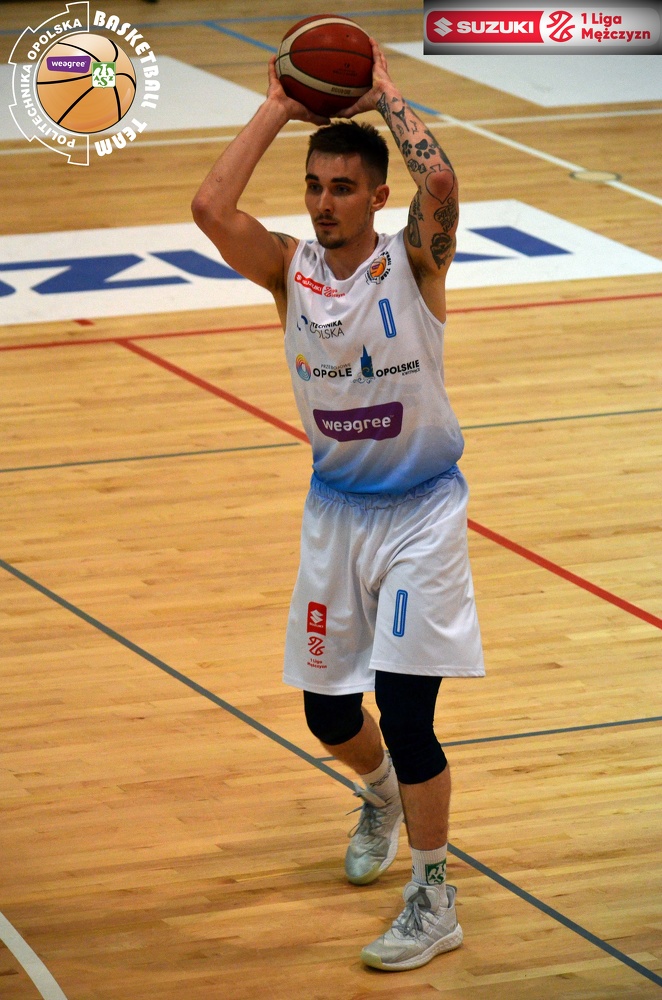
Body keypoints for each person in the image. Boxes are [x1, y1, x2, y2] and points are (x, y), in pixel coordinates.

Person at [192, 39, 484, 972]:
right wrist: (280, 104)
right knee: (328, 715)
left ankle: (434, 898)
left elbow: (443, 183)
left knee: (406, 709)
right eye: (315, 186)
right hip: (335, 515)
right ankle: (382, 794)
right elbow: (210, 209)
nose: (323, 202)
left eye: (343, 188)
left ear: (377, 197)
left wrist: (385, 90)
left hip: (421, 514)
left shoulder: (416, 265)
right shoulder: (290, 271)